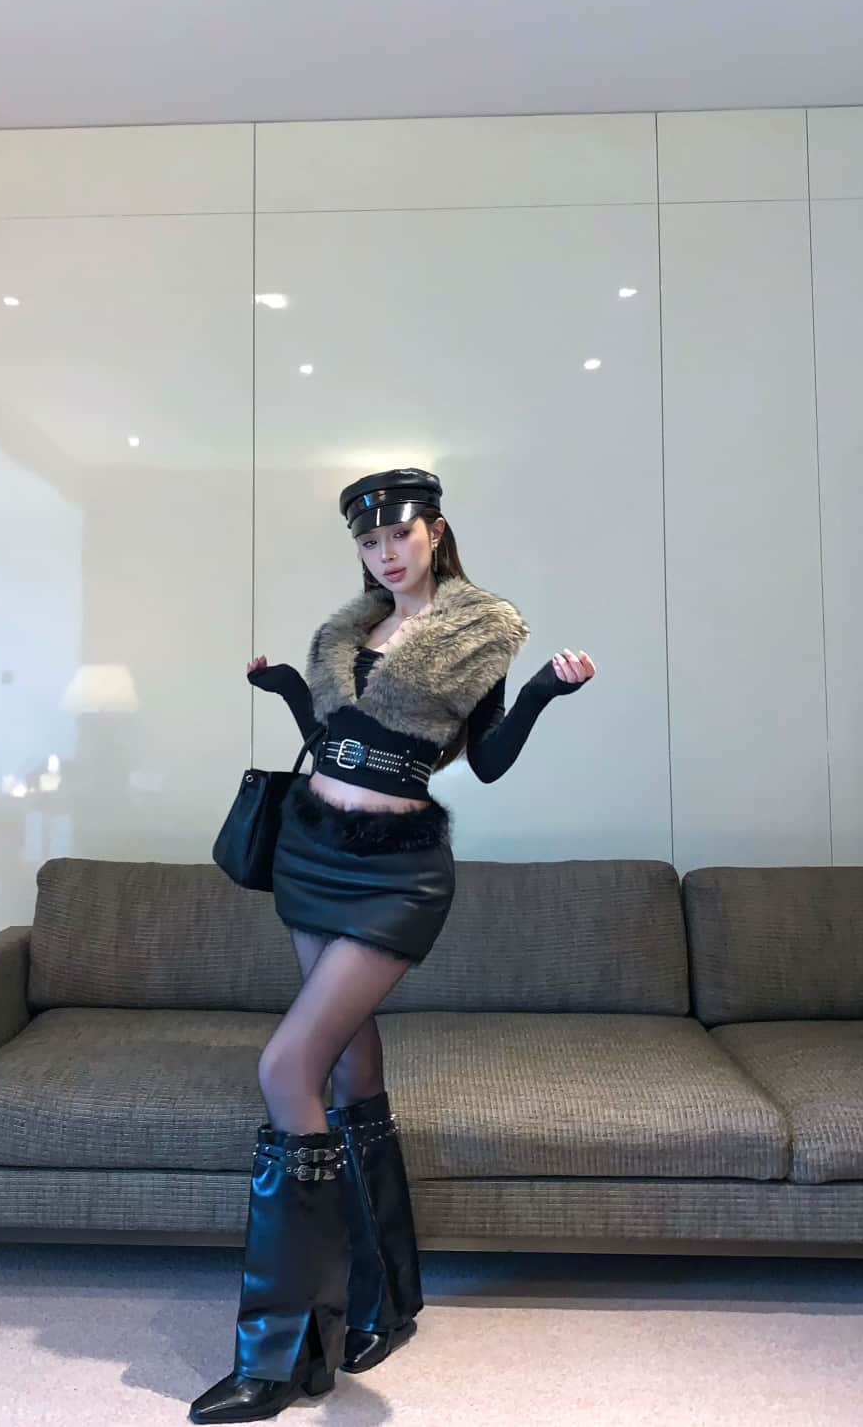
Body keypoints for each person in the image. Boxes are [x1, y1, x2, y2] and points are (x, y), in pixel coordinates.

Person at [189, 468, 595, 1423]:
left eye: (398, 535)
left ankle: (283, 1352)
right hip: (311, 853)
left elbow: (486, 761)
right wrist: (289, 689)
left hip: (394, 874)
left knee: (285, 1066)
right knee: (347, 1069)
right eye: (368, 542)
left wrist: (544, 689)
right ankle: (385, 1299)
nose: (383, 553)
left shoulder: (477, 632)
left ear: (434, 531)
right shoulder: (349, 633)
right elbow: (336, 739)